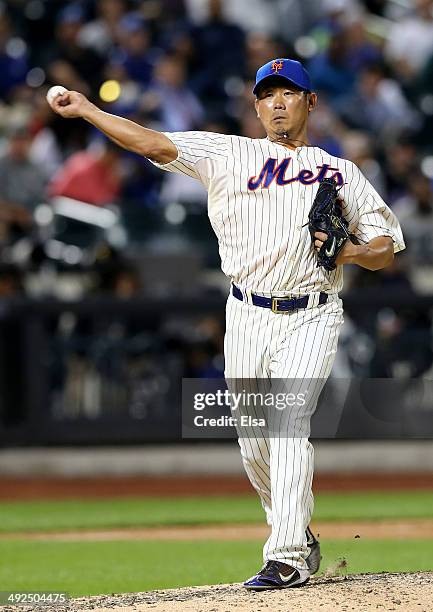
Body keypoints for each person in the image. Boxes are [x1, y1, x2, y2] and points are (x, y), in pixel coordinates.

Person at [47, 57, 405, 590]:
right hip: (244, 314)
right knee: (253, 442)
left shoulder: (339, 172)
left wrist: (350, 251)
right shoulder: (227, 152)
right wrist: (88, 110)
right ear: (256, 106)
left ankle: (285, 554)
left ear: (311, 102)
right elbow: (151, 144)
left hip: (311, 311)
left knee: (286, 426)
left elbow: (386, 248)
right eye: (268, 94)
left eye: (289, 92)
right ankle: (299, 534)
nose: (277, 102)